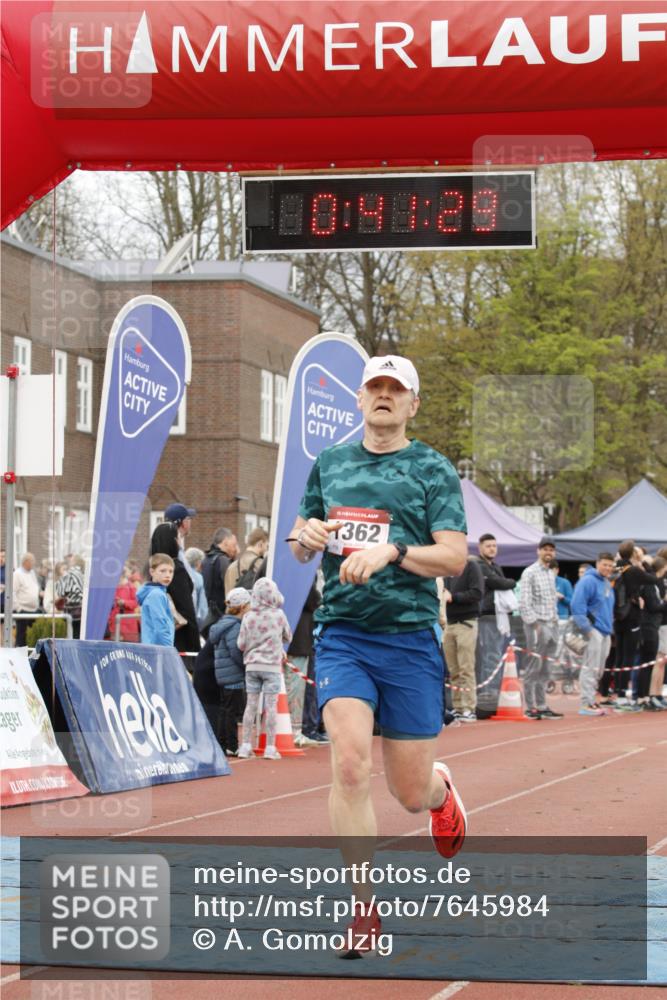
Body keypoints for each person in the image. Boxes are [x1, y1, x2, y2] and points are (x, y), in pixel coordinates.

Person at [288, 354, 468, 953]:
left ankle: (440, 791)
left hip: (411, 639)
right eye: (375, 388)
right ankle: (362, 906)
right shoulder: (331, 463)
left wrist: (393, 551)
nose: (384, 396)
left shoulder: (432, 469)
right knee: (348, 763)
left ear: (412, 404)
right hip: (344, 634)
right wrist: (305, 536)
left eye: (396, 389)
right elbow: (300, 538)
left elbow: (453, 558)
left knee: (409, 795)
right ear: (360, 400)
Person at [237, 578, 292, 761]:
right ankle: (270, 747)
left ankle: (245, 745)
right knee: (271, 708)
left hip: (251, 666)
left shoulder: (248, 616)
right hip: (272, 667)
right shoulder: (279, 615)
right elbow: (288, 636)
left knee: (250, 706)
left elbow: (241, 644)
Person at [519, 537, 563, 720]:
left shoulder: (549, 574)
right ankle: (530, 706)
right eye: (545, 549)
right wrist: (535, 625)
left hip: (552, 625)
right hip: (537, 625)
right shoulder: (529, 572)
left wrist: (555, 622)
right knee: (533, 666)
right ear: (538, 551)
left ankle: (542, 704)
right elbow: (524, 603)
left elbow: (551, 601)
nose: (548, 552)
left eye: (551, 550)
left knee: (547, 668)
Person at [474, 534, 517, 715]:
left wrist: (506, 583)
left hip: (499, 617)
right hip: (487, 617)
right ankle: (488, 696)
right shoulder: (479, 565)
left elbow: (503, 583)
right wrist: (508, 582)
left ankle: (493, 694)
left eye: (494, 545)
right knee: (489, 655)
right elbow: (499, 582)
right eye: (488, 546)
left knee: (496, 654)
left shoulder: (495, 566)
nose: (492, 548)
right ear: (480, 547)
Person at [570, 553, 616, 716]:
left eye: (610, 565)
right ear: (597, 564)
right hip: (594, 629)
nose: (608, 568)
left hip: (605, 631)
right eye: (605, 564)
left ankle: (591, 699)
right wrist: (588, 630)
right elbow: (577, 605)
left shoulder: (606, 583)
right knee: (590, 667)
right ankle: (586, 703)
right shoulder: (588, 581)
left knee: (599, 669)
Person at [209, 587, 251, 757]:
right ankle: (232, 745)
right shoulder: (234, 626)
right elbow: (236, 651)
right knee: (231, 713)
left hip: (224, 674)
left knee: (226, 710)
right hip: (233, 674)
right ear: (242, 607)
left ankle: (222, 743)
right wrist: (246, 665)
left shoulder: (223, 625)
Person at [442, 556, 484, 722]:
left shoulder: (471, 566)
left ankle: (469, 708)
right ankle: (458, 707)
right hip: (449, 624)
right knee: (453, 670)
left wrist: (454, 597)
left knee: (466, 667)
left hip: (466, 622)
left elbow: (477, 593)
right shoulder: (445, 570)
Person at [150, 519, 200, 655]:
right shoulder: (174, 570)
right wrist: (195, 646)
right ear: (171, 541)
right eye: (178, 538)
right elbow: (186, 609)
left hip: (158, 637)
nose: (180, 543)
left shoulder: (152, 569)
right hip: (181, 638)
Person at [286, 583, 321, 747]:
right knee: (296, 687)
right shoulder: (303, 569)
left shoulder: (271, 563)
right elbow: (313, 600)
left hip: (277, 640)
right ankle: (295, 731)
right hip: (299, 639)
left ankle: (282, 730)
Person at [611, 540, 646, 704]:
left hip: (617, 616)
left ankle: (618, 691)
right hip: (630, 617)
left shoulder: (615, 569)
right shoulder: (634, 570)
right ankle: (622, 694)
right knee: (628, 657)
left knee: (619, 656)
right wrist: (642, 564)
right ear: (633, 554)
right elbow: (652, 579)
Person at [637, 556, 666, 711]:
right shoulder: (650, 584)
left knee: (652, 663)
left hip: (653, 626)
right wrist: (665, 602)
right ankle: (645, 696)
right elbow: (654, 606)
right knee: (649, 663)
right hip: (649, 627)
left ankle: (649, 696)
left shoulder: (653, 583)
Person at [137, 554, 175, 646]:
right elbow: (160, 627)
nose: (167, 575)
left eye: (171, 571)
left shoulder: (158, 593)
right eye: (162, 571)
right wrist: (168, 649)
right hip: (158, 650)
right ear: (152, 572)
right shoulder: (156, 595)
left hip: (153, 647)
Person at [202, 528, 239, 616]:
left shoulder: (206, 558)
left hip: (208, 613)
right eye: (233, 544)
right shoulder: (223, 561)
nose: (235, 548)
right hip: (220, 613)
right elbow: (232, 588)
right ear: (225, 541)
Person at [224, 527, 269, 594]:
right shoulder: (262, 565)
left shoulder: (231, 568)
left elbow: (228, 599)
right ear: (260, 544)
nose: (266, 549)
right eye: (267, 546)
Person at [13, 552, 42, 646]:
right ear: (26, 562)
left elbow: (35, 588)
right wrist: (18, 609)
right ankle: (19, 657)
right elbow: (13, 592)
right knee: (21, 636)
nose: (34, 563)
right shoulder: (17, 574)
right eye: (32, 561)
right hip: (23, 610)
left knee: (34, 635)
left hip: (34, 610)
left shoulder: (32, 573)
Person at [55, 555, 84, 640]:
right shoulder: (83, 574)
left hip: (73, 611)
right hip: (83, 610)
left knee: (73, 637)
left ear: (73, 562)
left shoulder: (70, 575)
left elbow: (61, 591)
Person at [108, 569, 140, 642]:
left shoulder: (131, 587)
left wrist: (124, 602)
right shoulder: (112, 587)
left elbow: (136, 602)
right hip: (114, 624)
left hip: (128, 626)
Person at [185, 547, 209, 630]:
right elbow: (203, 609)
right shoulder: (199, 579)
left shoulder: (180, 575)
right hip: (193, 620)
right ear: (199, 563)